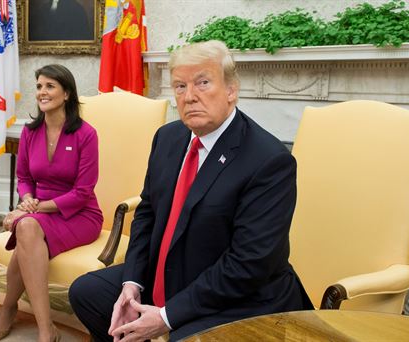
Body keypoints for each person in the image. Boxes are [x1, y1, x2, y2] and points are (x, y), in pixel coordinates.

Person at [68, 40, 313, 341]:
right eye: (180, 86)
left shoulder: (269, 160)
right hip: (171, 270)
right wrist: (132, 282)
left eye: (203, 83)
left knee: (184, 336)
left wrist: (166, 317)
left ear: (231, 91)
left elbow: (248, 265)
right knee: (87, 292)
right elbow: (147, 212)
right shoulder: (168, 137)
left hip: (240, 295)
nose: (190, 97)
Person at [0, 64, 102, 342]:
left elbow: (83, 192)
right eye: (39, 86)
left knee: (26, 227)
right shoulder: (29, 132)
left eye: (50, 86)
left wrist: (31, 208)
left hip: (80, 215)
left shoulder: (86, 134)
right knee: (27, 230)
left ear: (67, 94)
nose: (42, 92)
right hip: (38, 213)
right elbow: (24, 177)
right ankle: (44, 328)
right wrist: (27, 200)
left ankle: (8, 309)